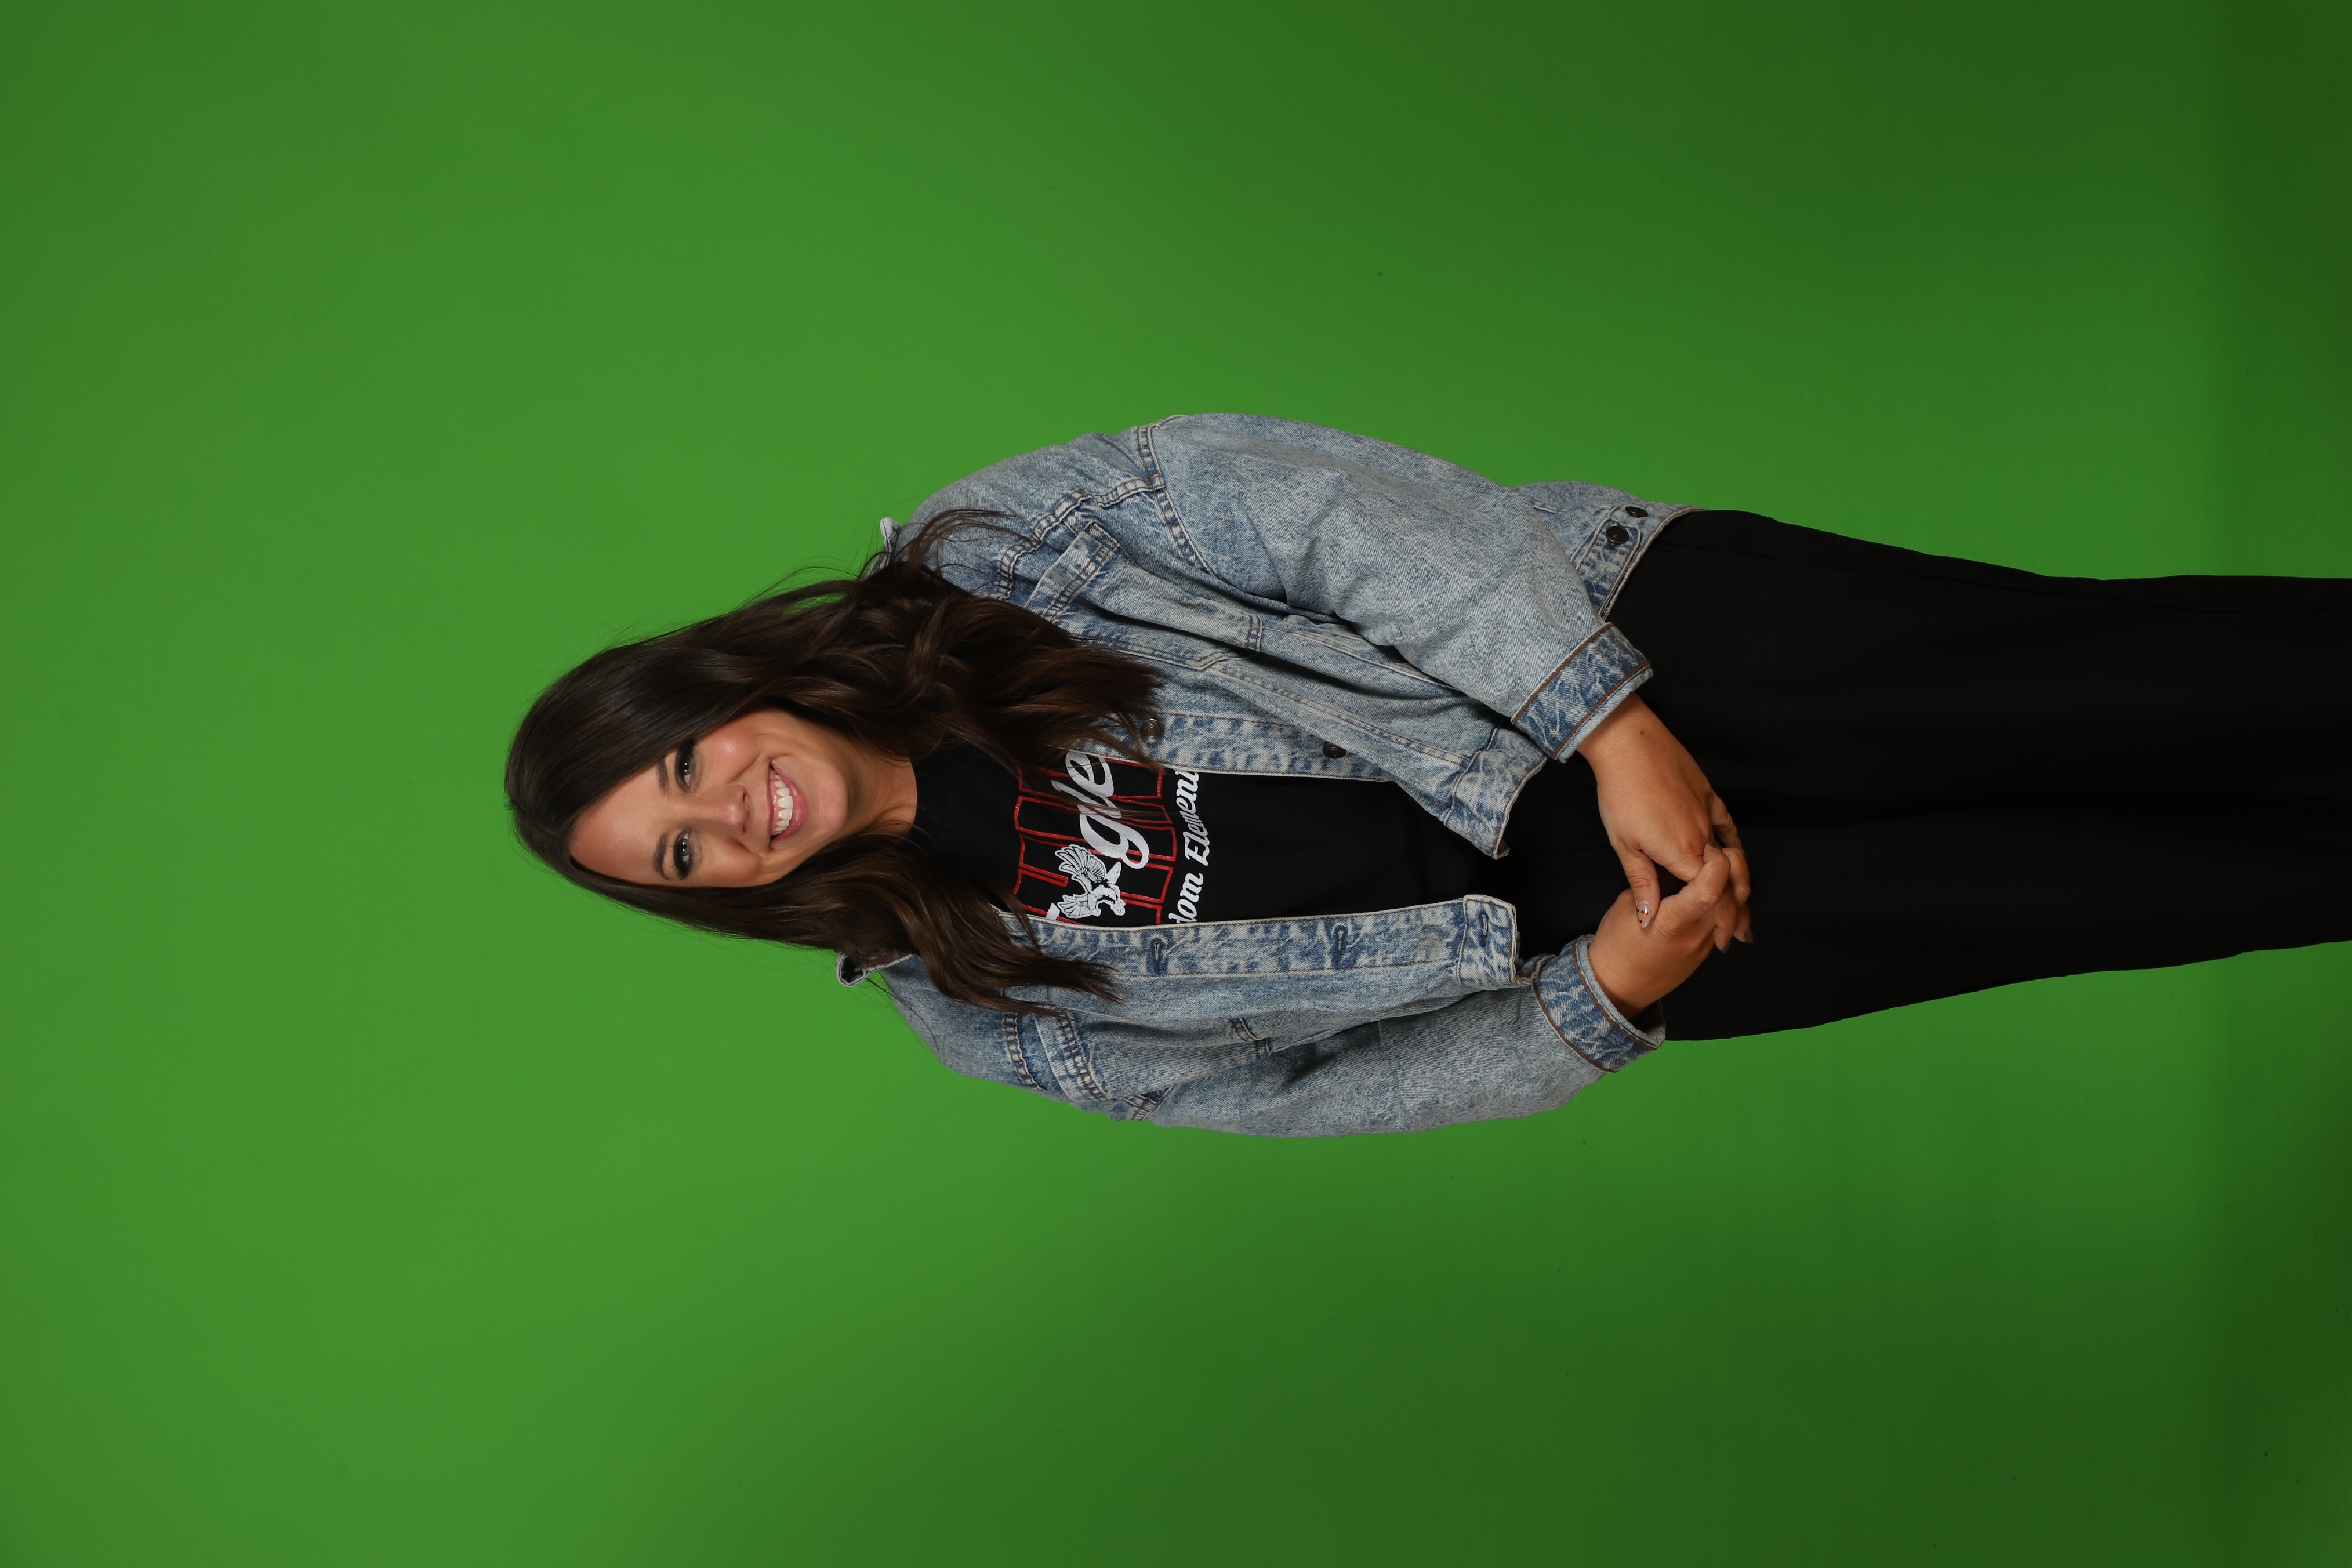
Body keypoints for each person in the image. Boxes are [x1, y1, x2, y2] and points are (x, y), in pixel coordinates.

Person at [507, 415, 2352, 1135]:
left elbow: (1327, 518)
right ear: (714, 899)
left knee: (2142, 692)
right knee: (2118, 889)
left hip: (1640, 648)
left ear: (720, 684)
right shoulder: (991, 1008)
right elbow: (1322, 1094)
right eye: (681, 854)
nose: (729, 812)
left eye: (687, 762)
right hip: (1625, 923)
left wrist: (1607, 722)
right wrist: (1597, 1005)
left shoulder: (997, 557)